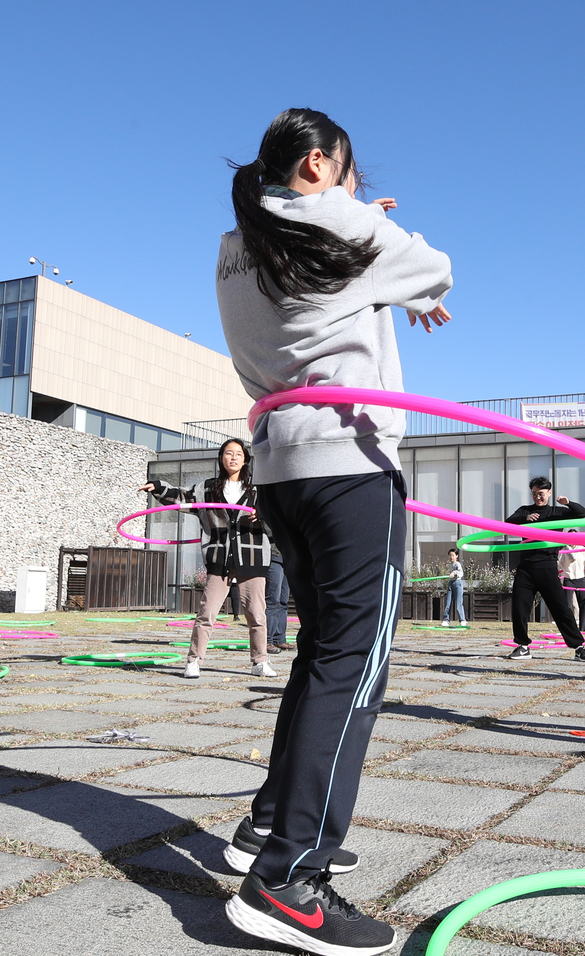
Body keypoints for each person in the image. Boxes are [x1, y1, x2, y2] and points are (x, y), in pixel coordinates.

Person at [215, 108, 452, 956]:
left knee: (322, 656)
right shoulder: (339, 222)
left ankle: (269, 825)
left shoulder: (237, 243)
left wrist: (365, 247)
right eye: (346, 171)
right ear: (319, 164)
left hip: (282, 469)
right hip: (351, 469)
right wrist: (370, 229)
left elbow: (334, 292)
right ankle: (289, 879)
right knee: (353, 667)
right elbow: (440, 268)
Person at [140, 439, 274, 678]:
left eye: (238, 454)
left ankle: (260, 661)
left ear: (245, 459)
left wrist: (263, 516)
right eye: (228, 453)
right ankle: (193, 661)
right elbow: (183, 498)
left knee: (257, 614)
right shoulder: (207, 488)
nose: (233, 457)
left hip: (251, 557)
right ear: (221, 458)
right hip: (219, 558)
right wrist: (158, 487)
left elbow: (278, 518)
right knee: (206, 613)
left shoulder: (260, 488)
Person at [504, 477, 585, 661]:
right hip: (525, 568)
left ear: (549, 493)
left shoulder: (557, 512)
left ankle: (578, 647)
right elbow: (508, 522)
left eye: (541, 494)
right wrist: (525, 519)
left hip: (547, 566)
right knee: (519, 608)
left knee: (561, 609)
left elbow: (583, 513)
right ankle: (523, 646)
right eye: (534, 494)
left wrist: (569, 503)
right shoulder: (525, 511)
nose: (538, 498)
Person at [265, 539, 291, 652]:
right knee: (272, 600)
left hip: (287, 558)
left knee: (283, 601)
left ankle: (279, 639)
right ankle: (267, 640)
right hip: (274, 555)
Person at [441, 548, 466, 627]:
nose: (451, 557)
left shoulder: (457, 564)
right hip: (451, 584)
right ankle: (446, 620)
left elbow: (461, 573)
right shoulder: (451, 565)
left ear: (456, 556)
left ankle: (462, 620)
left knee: (459, 603)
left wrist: (454, 573)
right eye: (450, 555)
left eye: (453, 555)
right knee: (448, 603)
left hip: (457, 583)